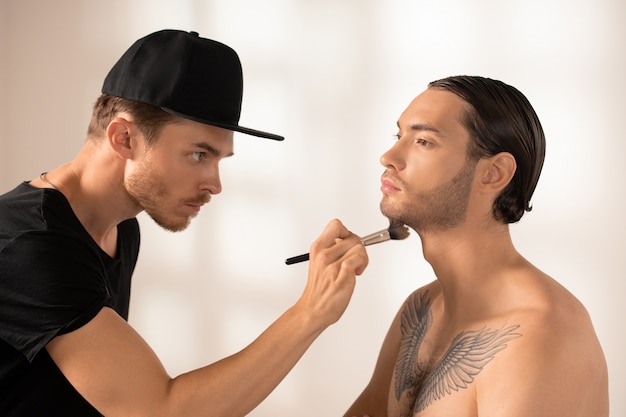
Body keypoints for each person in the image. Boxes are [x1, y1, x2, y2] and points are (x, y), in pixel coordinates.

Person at [0, 29, 368, 416]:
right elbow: (159, 410)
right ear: (124, 138)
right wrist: (311, 311)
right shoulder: (31, 244)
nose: (215, 183)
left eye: (220, 159)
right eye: (198, 155)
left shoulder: (120, 227)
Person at [344, 75, 609, 417]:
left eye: (423, 141)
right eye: (399, 135)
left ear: (494, 174)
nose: (388, 156)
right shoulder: (419, 311)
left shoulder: (541, 337)